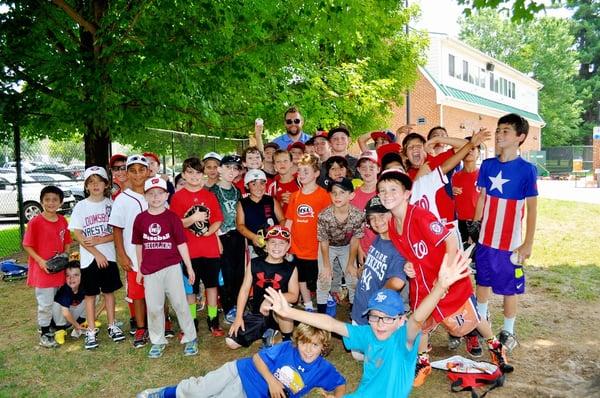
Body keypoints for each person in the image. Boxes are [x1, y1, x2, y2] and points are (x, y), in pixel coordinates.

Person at [263, 251, 474, 398]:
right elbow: (331, 324)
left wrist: (441, 287)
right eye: (374, 317)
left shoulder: (404, 340)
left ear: (401, 320)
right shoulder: (368, 333)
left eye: (388, 318)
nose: (380, 324)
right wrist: (290, 312)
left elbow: (418, 318)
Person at [378, 168, 511, 387]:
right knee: (420, 323)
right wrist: (408, 264)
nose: (387, 194)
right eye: (382, 190)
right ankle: (423, 363)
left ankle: (495, 346)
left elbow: (449, 239)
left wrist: (446, 273)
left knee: (472, 320)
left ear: (406, 193)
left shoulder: (420, 215)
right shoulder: (392, 224)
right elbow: (410, 254)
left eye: (393, 189)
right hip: (422, 284)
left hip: (447, 279)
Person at [137, 323, 346, 398]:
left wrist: (337, 397)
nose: (308, 350)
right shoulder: (286, 348)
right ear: (297, 341)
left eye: (315, 345)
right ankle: (164, 393)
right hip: (240, 371)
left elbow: (340, 383)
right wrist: (272, 381)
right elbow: (257, 357)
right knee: (198, 390)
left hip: (250, 394)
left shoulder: (322, 369)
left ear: (323, 347)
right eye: (304, 343)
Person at [473, 113, 538, 352]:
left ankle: (508, 331)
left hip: (509, 243)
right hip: (484, 239)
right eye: (498, 130)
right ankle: (480, 321)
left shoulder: (527, 170)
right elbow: (482, 197)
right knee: (482, 280)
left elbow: (532, 209)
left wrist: (527, 243)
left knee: (509, 287)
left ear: (520, 137)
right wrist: (475, 224)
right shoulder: (488, 165)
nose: (500, 135)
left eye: (506, 131)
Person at [132, 177, 198, 358]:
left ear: (167, 195)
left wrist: (189, 267)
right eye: (151, 194)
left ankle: (190, 338)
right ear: (145, 196)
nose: (155, 197)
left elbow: (181, 244)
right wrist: (139, 269)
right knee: (154, 307)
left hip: (171, 267)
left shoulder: (172, 218)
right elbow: (139, 245)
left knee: (180, 303)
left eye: (160, 193)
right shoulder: (140, 219)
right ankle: (157, 340)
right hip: (150, 270)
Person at [69, 166, 125, 349]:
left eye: (99, 181)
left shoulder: (111, 204)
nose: (95, 185)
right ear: (86, 186)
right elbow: (77, 234)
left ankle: (112, 324)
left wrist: (102, 239)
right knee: (91, 295)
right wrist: (97, 253)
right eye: (90, 182)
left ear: (106, 184)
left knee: (109, 292)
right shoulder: (81, 206)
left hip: (109, 257)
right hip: (89, 259)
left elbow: (117, 232)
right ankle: (91, 330)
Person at [170, 157, 225, 337]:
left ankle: (213, 320)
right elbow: (174, 224)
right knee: (190, 289)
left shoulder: (209, 195)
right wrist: (192, 220)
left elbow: (217, 219)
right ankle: (190, 321)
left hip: (209, 250)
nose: (194, 176)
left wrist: (210, 232)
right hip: (188, 252)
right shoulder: (178, 197)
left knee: (211, 286)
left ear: (203, 175)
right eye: (190, 172)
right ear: (184, 174)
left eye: (198, 173)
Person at [226, 225, 299, 349]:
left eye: (282, 243)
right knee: (231, 342)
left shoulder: (291, 268)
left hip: (278, 313)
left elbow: (294, 296)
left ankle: (286, 341)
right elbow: (244, 290)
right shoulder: (254, 263)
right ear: (266, 245)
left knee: (284, 308)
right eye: (273, 242)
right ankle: (267, 332)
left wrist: (270, 299)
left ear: (287, 247)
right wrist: (238, 317)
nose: (277, 247)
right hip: (258, 313)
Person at [23, 185, 73, 348]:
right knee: (45, 303)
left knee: (59, 300)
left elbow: (67, 242)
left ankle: (58, 326)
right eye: (47, 200)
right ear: (41, 201)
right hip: (43, 270)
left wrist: (65, 256)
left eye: (54, 200)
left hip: (59, 269)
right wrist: (40, 261)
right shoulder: (36, 222)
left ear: (60, 202)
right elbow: (27, 245)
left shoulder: (62, 220)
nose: (51, 203)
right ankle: (45, 332)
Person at [109, 154, 150, 347]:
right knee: (138, 294)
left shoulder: (155, 193)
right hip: (134, 256)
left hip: (157, 253)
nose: (137, 174)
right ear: (127, 173)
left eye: (141, 170)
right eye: (132, 171)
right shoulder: (122, 198)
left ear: (148, 171)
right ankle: (141, 327)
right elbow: (117, 229)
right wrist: (122, 254)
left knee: (159, 292)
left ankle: (162, 323)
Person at [351, 196, 407, 330]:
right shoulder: (378, 239)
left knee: (372, 349)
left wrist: (377, 297)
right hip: (360, 308)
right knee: (357, 349)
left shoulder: (398, 246)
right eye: (372, 217)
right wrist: (364, 270)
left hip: (376, 314)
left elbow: (397, 281)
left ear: (393, 215)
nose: (377, 221)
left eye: (382, 215)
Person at [285, 154, 332, 312]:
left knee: (320, 279)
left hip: (317, 248)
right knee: (301, 278)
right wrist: (286, 243)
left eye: (306, 171)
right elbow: (289, 221)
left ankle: (324, 303)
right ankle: (308, 305)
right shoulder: (294, 196)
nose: (302, 174)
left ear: (316, 173)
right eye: (299, 171)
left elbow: (328, 223)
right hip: (298, 248)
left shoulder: (324, 196)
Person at [316, 178, 364, 313]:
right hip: (328, 247)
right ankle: (321, 313)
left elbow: (355, 240)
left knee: (353, 278)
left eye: (342, 192)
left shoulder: (357, 215)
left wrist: (350, 264)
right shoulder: (324, 216)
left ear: (351, 195)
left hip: (346, 247)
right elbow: (323, 241)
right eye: (334, 193)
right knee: (324, 279)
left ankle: (354, 312)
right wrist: (326, 266)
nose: (337, 196)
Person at [209, 154, 244, 324]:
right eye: (228, 167)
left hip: (236, 236)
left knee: (239, 273)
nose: (232, 171)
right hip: (221, 236)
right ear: (220, 169)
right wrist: (216, 240)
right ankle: (228, 307)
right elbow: (210, 219)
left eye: (235, 168)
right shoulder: (212, 192)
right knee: (226, 274)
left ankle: (239, 305)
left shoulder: (237, 190)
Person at [237, 169, 284, 259]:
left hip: (274, 244)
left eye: (262, 183)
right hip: (254, 246)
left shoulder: (271, 200)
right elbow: (240, 225)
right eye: (254, 184)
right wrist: (254, 237)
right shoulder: (242, 203)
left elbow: (282, 219)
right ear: (247, 186)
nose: (259, 187)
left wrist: (276, 235)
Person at [451, 136, 482, 247]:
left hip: (479, 222)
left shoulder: (484, 175)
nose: (469, 151)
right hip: (460, 224)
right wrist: (450, 191)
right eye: (466, 148)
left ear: (478, 153)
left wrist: (475, 227)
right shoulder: (453, 177)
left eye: (473, 148)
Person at [52, 260, 86, 345]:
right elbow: (65, 313)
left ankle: (82, 323)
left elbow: (105, 296)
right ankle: (60, 330)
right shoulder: (65, 289)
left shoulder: (85, 286)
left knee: (92, 297)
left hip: (73, 318)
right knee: (56, 304)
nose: (71, 279)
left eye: (76, 275)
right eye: (68, 276)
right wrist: (76, 325)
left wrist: (95, 315)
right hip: (61, 320)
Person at [267, 149, 301, 214]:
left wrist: (294, 201)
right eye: (278, 162)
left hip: (301, 221)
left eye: (285, 161)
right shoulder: (272, 187)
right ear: (274, 166)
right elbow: (270, 211)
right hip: (282, 223)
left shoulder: (301, 182)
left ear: (291, 163)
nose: (282, 164)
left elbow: (311, 203)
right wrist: (281, 203)